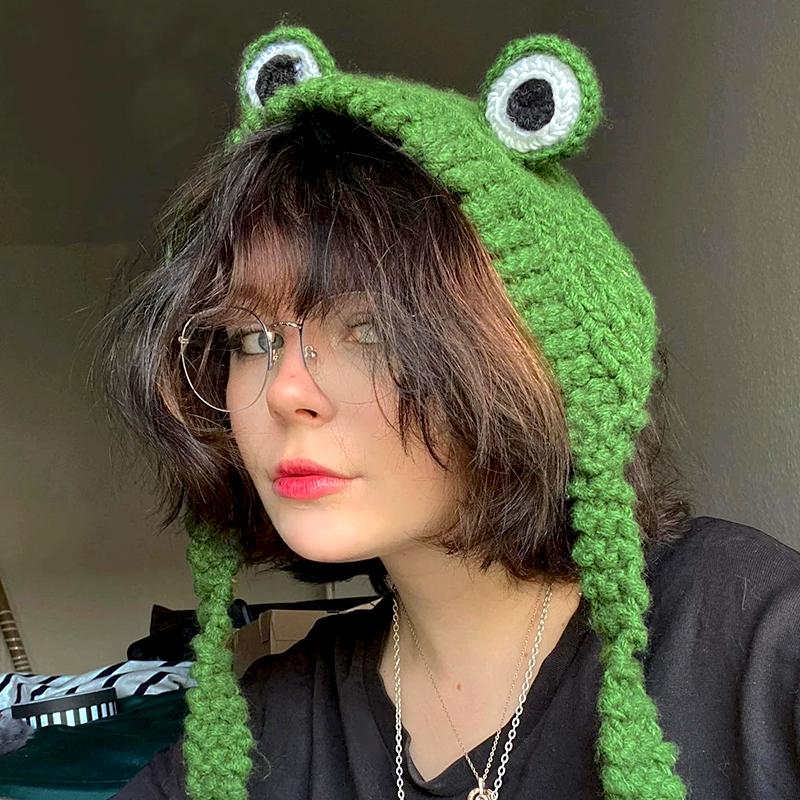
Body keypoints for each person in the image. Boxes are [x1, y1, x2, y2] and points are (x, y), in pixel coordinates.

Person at [98, 22, 800, 800]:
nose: (285, 391)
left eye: (369, 330)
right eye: (252, 339)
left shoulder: (757, 637)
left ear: (544, 359)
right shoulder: (273, 724)